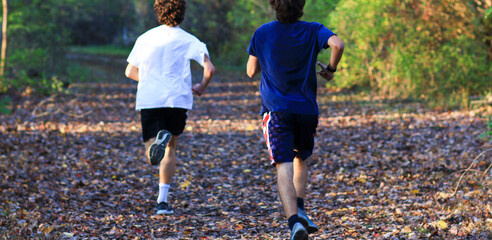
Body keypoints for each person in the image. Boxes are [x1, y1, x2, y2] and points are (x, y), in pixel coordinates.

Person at [246, 0, 344, 239]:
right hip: (306, 110)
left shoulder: (263, 32)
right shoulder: (313, 29)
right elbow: (337, 44)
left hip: (276, 110)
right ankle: (301, 211)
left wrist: (269, 60)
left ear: (274, 6)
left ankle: (294, 223)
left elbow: (250, 71)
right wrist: (330, 69)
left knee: (283, 164)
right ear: (301, 6)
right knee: (301, 157)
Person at [125, 0, 215, 215]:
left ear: (158, 12)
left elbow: (129, 71)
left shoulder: (145, 38)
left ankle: (157, 142)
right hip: (177, 99)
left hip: (151, 98)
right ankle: (162, 202)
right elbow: (209, 69)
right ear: (182, 14)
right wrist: (201, 86)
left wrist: (147, 80)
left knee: (151, 153)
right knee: (171, 149)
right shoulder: (190, 40)